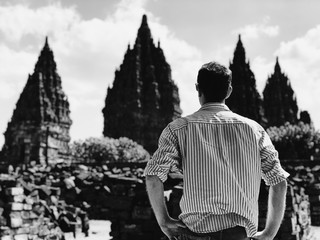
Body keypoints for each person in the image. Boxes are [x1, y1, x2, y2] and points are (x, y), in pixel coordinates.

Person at [144, 61, 290, 240]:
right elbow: (279, 182)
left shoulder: (178, 129)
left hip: (194, 233)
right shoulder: (254, 130)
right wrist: (268, 234)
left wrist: (164, 221)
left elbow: (153, 176)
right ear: (229, 90)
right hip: (239, 234)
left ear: (198, 89)